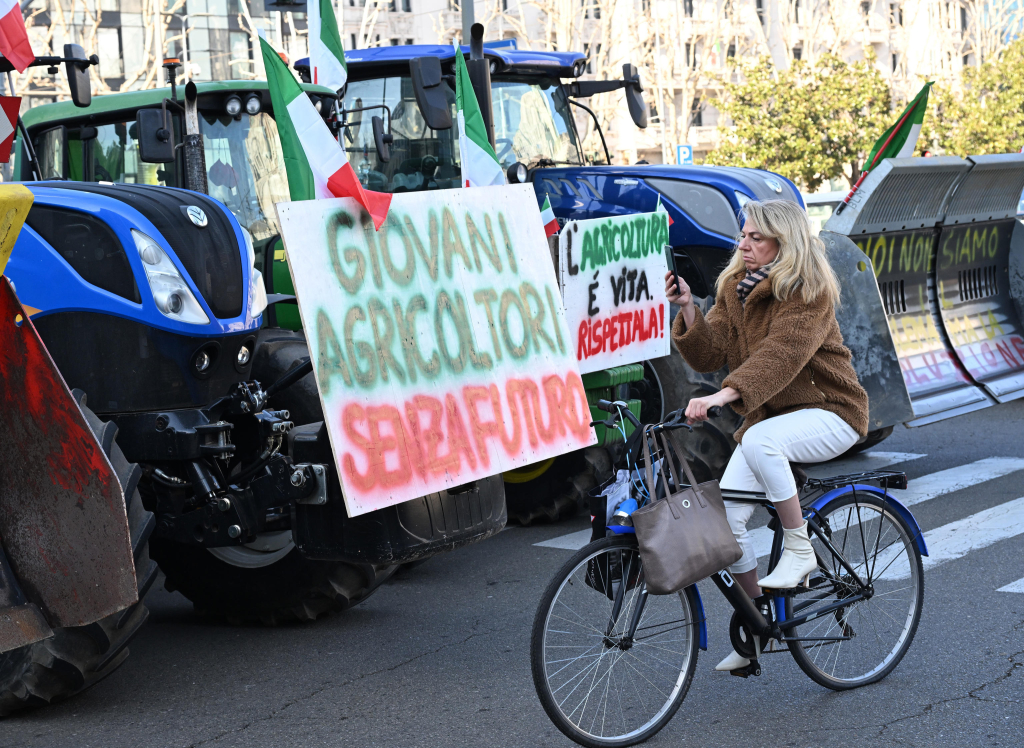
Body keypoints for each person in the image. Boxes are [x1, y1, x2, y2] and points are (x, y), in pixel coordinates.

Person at [664, 198, 869, 673]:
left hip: (830, 411)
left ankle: (800, 549)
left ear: (785, 241)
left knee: (761, 442)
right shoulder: (736, 287)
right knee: (728, 524)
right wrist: (689, 311)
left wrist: (723, 397)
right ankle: (759, 626)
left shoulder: (809, 291)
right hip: (770, 420)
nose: (744, 244)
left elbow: (780, 356)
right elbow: (710, 351)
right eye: (744, 235)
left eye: (757, 237)